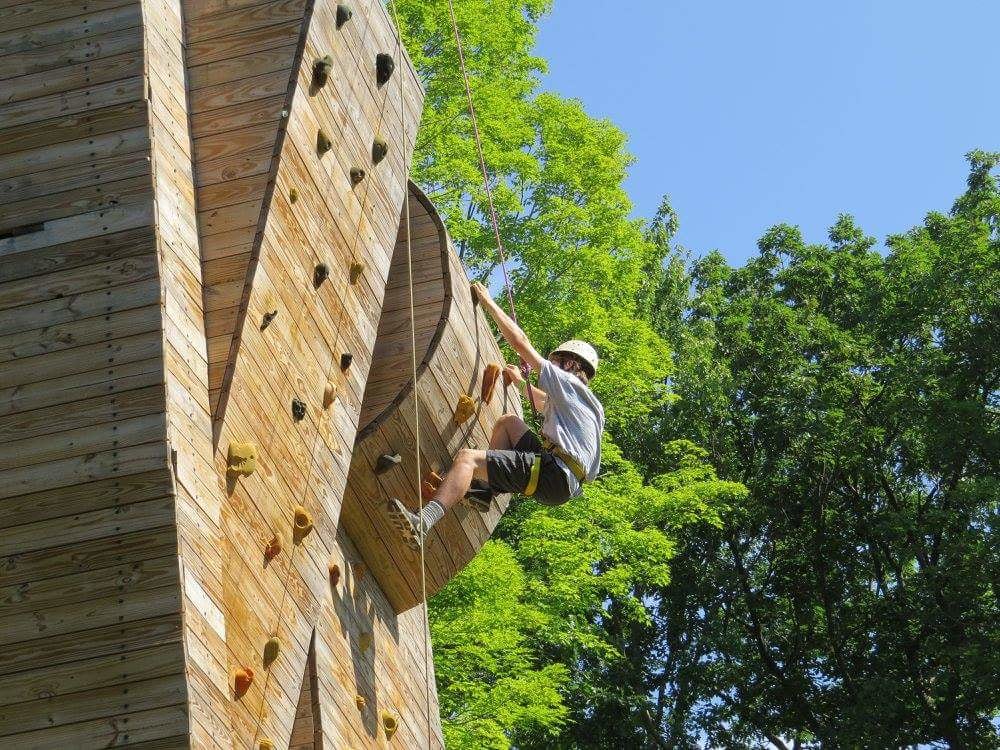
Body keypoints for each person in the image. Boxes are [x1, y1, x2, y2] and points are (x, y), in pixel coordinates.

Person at [386, 281, 605, 551]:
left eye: (556, 361)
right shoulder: (589, 406)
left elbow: (521, 343)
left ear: (570, 364)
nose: (552, 366)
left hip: (554, 471)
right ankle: (482, 491)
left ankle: (423, 522)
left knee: (467, 458)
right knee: (508, 423)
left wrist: (488, 302)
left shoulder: (568, 383)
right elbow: (543, 402)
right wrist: (520, 382)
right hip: (562, 480)